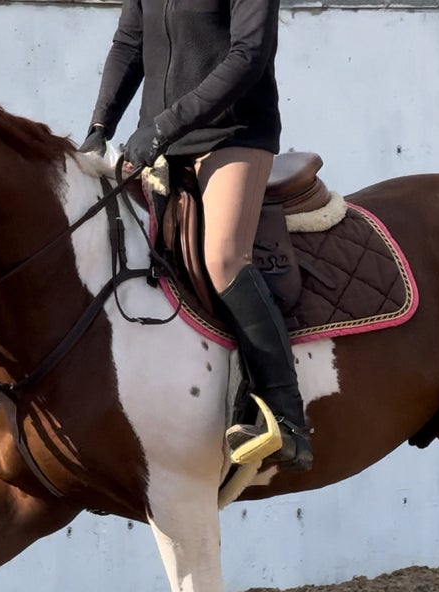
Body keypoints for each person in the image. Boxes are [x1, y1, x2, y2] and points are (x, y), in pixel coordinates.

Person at [80, 0, 312, 472]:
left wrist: (163, 126)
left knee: (223, 258)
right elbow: (129, 44)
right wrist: (99, 128)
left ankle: (286, 418)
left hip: (232, 136)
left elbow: (248, 55)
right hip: (161, 142)